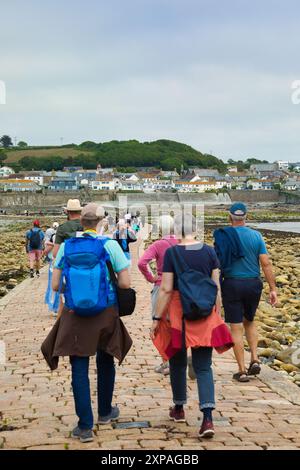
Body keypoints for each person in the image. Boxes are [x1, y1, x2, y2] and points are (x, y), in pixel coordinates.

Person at [42, 203, 132, 443]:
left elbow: (54, 286)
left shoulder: (68, 247)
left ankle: (84, 426)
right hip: (105, 312)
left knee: (78, 368)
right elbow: (125, 283)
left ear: (81, 221)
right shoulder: (109, 245)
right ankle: (105, 412)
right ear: (101, 222)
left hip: (75, 315)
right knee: (105, 360)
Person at [151, 215, 233, 439]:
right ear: (196, 230)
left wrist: (157, 317)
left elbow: (166, 289)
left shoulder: (172, 253)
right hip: (205, 311)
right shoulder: (209, 252)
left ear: (177, 231)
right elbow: (216, 286)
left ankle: (178, 408)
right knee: (204, 366)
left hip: (178, 310)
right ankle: (207, 418)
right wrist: (217, 313)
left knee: (177, 362)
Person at [214, 202, 278, 382]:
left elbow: (216, 265)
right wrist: (273, 289)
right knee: (250, 321)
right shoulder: (256, 236)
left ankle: (241, 370)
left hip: (232, 283)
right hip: (253, 284)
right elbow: (266, 263)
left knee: (235, 327)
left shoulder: (223, 237)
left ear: (229, 217)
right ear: (246, 217)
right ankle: (255, 358)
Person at [138, 215, 179, 375]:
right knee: (177, 324)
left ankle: (166, 361)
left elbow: (142, 262)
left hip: (161, 285)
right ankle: (178, 359)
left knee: (160, 325)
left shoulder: (159, 244)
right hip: (179, 288)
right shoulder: (182, 243)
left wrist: (151, 277)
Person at [44, 222, 60, 317]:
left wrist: (45, 251)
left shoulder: (54, 236)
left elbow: (50, 250)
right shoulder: (56, 236)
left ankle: (54, 307)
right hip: (58, 261)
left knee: (53, 285)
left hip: (54, 262)